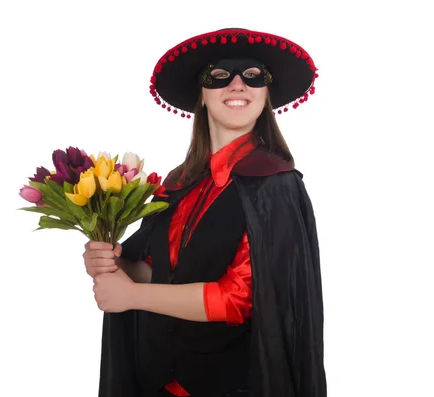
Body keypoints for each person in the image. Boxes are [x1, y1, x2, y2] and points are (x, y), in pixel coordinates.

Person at [83, 27, 326, 397]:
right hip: (160, 382)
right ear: (203, 93)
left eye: (253, 76)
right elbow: (164, 273)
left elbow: (239, 299)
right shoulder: (178, 183)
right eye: (219, 76)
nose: (237, 85)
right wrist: (112, 265)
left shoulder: (276, 187)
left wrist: (131, 297)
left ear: (266, 94)